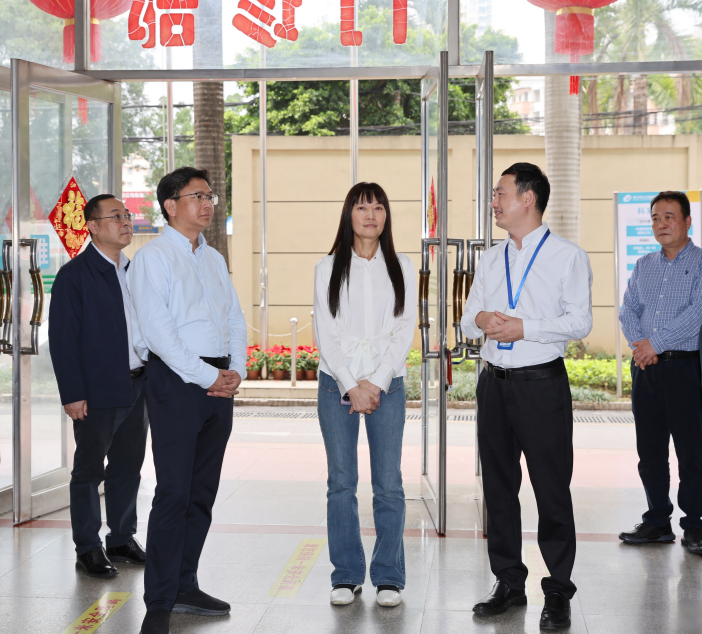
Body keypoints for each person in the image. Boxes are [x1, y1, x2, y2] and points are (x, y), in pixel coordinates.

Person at [461, 163, 593, 631]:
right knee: (498, 488)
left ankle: (557, 590)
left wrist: (525, 327)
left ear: (528, 198)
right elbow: (467, 317)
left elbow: (580, 322)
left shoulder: (567, 257)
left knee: (551, 489)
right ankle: (509, 582)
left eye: (501, 193)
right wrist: (482, 320)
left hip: (541, 385)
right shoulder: (491, 258)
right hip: (493, 384)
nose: (493, 202)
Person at [128, 167, 247, 634]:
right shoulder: (153, 258)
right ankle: (159, 600)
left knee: (202, 492)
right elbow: (159, 333)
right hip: (177, 381)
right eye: (197, 196)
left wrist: (235, 372)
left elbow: (234, 318)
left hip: (218, 381)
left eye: (210, 196)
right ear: (170, 205)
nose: (207, 203)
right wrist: (208, 376)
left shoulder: (213, 258)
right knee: (174, 492)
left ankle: (184, 584)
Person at [313, 182, 416, 608]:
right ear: (348, 215)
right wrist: (350, 384)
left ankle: (389, 576)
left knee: (388, 483)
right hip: (336, 382)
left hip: (386, 384)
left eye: (377, 207)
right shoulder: (328, 266)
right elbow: (325, 331)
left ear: (386, 216)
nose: (370, 215)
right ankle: (347, 575)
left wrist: (376, 381)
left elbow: (405, 328)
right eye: (361, 207)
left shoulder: (402, 265)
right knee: (341, 482)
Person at [49, 194, 148, 579]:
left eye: (127, 215)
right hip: (97, 391)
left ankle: (121, 538)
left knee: (128, 467)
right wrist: (73, 394)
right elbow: (63, 340)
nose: (126, 222)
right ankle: (88, 547)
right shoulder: (75, 275)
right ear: (92, 226)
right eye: (115, 216)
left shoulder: (135, 271)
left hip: (138, 385)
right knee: (89, 471)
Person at [618, 191, 702, 554]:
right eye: (655, 218)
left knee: (691, 450)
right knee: (650, 450)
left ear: (687, 222)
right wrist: (642, 346)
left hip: (685, 369)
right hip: (646, 370)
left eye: (669, 216)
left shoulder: (700, 263)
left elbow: (697, 313)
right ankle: (657, 521)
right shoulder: (644, 265)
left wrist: (655, 343)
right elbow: (627, 310)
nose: (661, 224)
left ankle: (696, 523)